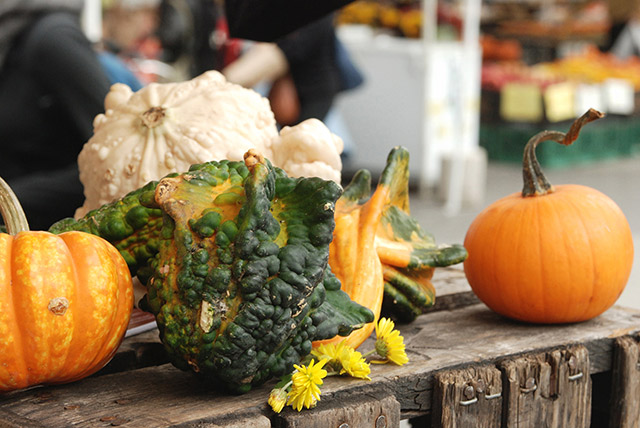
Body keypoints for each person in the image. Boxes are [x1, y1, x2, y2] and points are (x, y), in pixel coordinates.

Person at [0, 0, 112, 230]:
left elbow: (113, 156)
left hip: (51, 245)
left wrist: (10, 199)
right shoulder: (11, 38)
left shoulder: (54, 39)